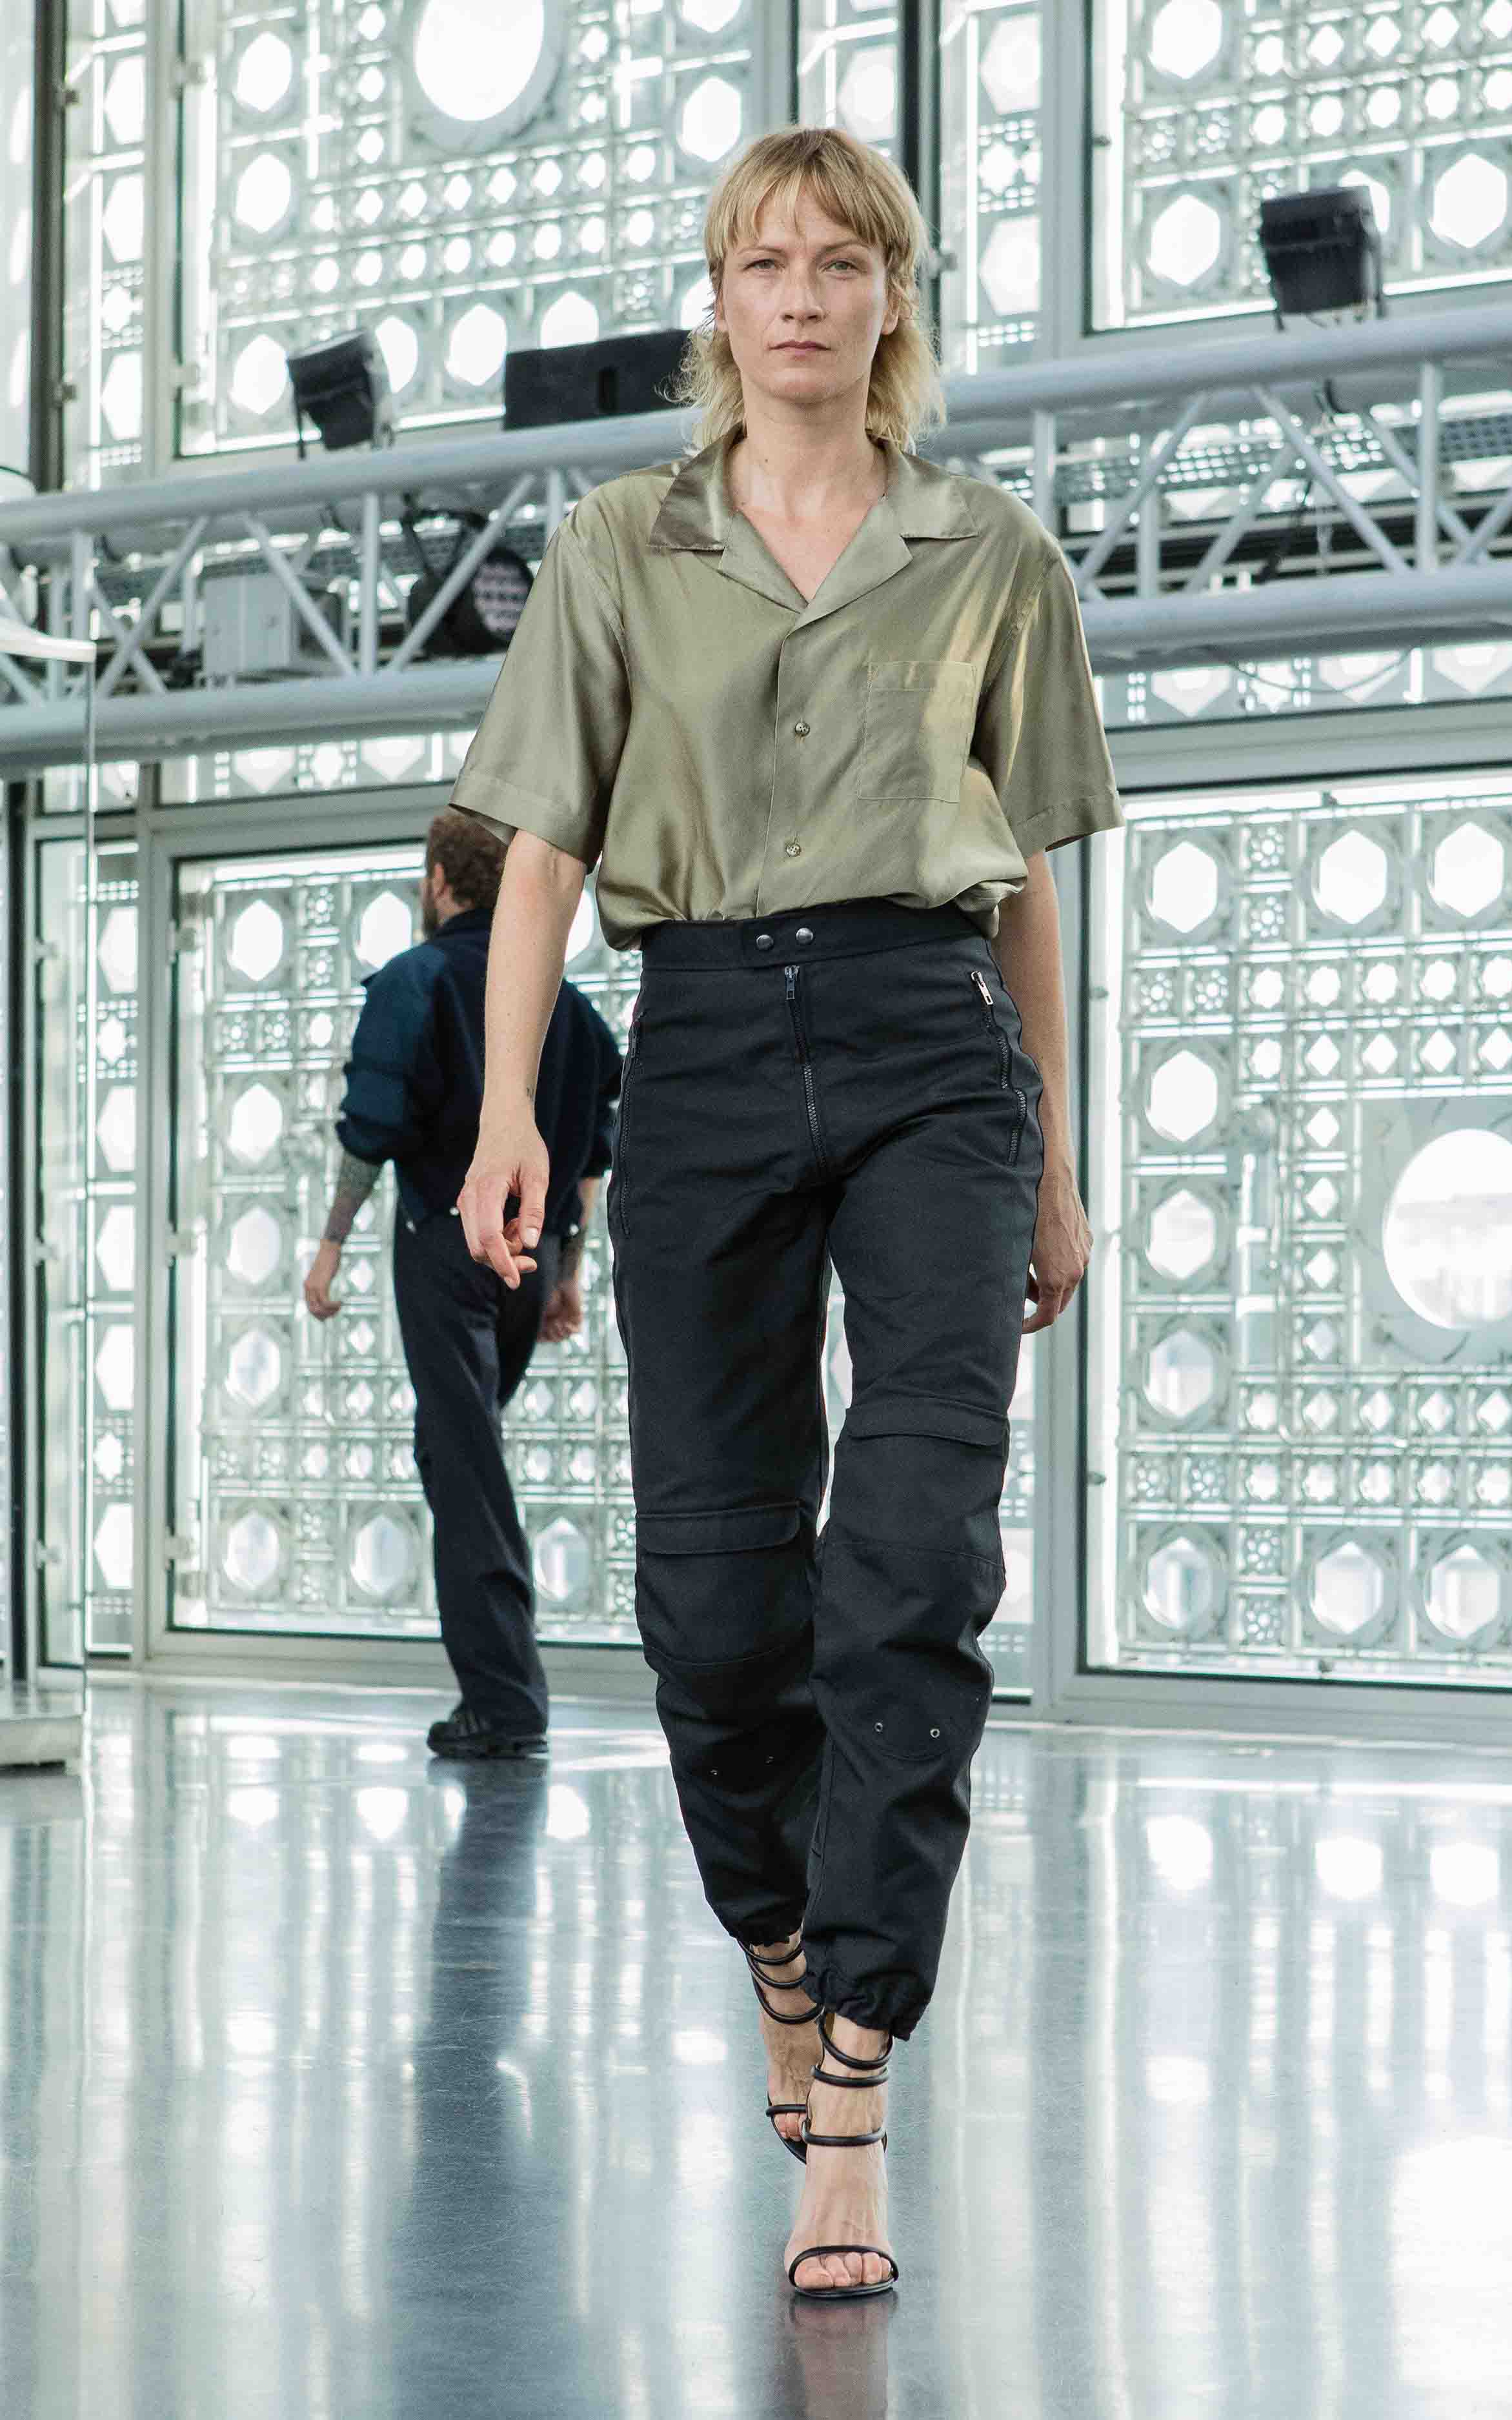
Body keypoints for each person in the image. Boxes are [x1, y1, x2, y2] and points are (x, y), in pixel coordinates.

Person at [448, 126, 1122, 2297]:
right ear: (721, 301)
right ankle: (775, 1936)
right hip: (710, 1047)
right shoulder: (615, 546)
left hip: (934, 1050)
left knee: (913, 1560)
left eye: (842, 261)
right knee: (719, 1604)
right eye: (765, 262)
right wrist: (508, 1113)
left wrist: (1057, 1156)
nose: (804, 295)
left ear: (893, 296)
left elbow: (1025, 887)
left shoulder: (989, 549)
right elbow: (545, 852)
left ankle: (854, 2080)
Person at [303, 813, 622, 1760]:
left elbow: (371, 1126)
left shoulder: (420, 979)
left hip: (449, 1244)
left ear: (441, 881)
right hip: (532, 1259)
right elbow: (593, 1149)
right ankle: (502, 1684)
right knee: (454, 1453)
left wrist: (328, 1249)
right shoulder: (566, 1006)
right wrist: (568, 1273)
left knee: (465, 1461)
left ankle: (506, 1703)